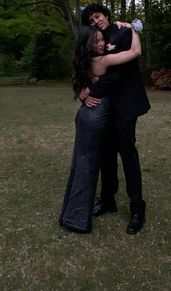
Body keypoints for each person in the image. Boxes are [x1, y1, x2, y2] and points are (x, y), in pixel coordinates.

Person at [59, 24, 142, 234]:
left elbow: (79, 87)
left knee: (87, 161)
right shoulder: (102, 60)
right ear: (88, 45)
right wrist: (134, 29)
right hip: (98, 117)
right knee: (94, 163)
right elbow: (135, 52)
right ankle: (92, 208)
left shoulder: (82, 63)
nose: (102, 42)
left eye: (102, 39)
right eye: (96, 41)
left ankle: (81, 210)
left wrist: (83, 94)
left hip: (87, 115)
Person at [80, 3, 151, 234]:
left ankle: (137, 209)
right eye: (91, 20)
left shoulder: (123, 32)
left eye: (97, 16)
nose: (95, 21)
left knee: (128, 156)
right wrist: (81, 90)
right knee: (106, 156)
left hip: (125, 107)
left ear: (106, 14)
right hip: (105, 111)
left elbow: (121, 73)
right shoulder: (94, 41)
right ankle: (108, 200)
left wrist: (92, 91)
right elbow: (85, 68)